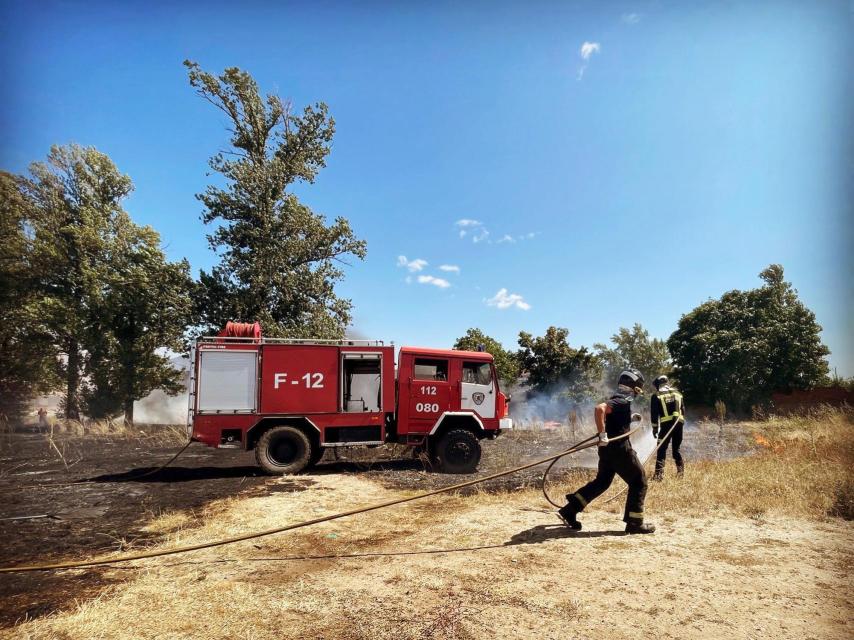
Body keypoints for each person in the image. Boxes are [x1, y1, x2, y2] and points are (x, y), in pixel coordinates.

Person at [557, 370, 655, 534]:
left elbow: (614, 417)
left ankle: (570, 510)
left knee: (602, 482)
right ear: (633, 386)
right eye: (638, 387)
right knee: (639, 481)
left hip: (607, 450)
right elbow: (599, 409)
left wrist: (630, 419)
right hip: (619, 449)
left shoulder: (619, 398)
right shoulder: (622, 400)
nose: (638, 391)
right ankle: (635, 523)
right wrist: (602, 434)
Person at [650, 375, 685, 480]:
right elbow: (683, 410)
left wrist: (655, 428)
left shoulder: (656, 395)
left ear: (657, 384)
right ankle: (681, 474)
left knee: (661, 449)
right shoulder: (678, 393)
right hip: (679, 424)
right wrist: (679, 423)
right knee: (676, 450)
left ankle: (658, 476)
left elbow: (654, 414)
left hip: (666, 425)